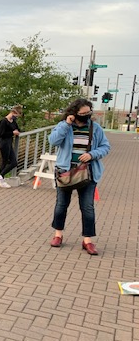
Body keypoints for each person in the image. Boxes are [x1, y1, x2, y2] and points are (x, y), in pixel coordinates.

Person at [48, 98, 110, 255]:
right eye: (82, 113)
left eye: (88, 112)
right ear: (74, 113)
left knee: (87, 207)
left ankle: (87, 240)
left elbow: (105, 147)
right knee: (61, 205)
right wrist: (66, 124)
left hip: (88, 173)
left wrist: (92, 154)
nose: (86, 115)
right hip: (66, 172)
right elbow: (53, 141)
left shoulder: (95, 128)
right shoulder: (65, 126)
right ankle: (58, 235)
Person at [0, 105, 23, 188]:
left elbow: (17, 128)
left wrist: (17, 131)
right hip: (4, 143)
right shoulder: (4, 121)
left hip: (9, 142)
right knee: (7, 161)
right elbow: (1, 134)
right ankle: (0, 178)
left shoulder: (12, 121)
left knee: (12, 162)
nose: (16, 117)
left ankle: (0, 178)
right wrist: (12, 133)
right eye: (16, 115)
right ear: (13, 113)